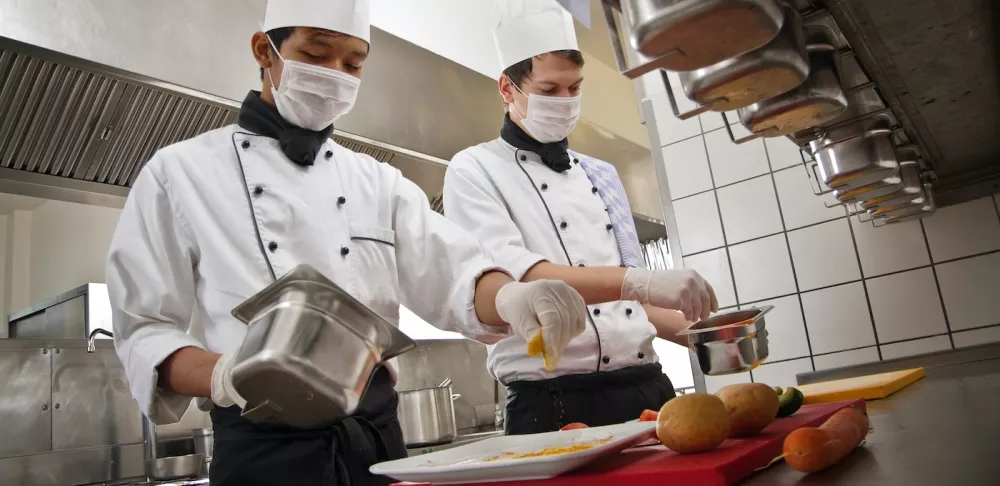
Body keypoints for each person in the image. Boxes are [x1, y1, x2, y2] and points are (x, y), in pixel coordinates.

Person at [106, 1, 589, 484]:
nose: (336, 74)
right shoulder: (180, 174)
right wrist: (225, 374)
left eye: (353, 63)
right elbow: (145, 329)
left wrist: (512, 295)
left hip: (377, 445)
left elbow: (455, 273)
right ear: (264, 50)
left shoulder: (376, 181)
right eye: (316, 55)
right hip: (262, 455)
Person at [442, 0, 719, 435]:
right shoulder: (473, 169)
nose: (566, 102)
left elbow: (635, 305)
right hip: (554, 404)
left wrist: (713, 336)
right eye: (550, 91)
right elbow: (526, 281)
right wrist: (635, 279)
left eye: (575, 88)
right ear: (507, 88)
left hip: (649, 388)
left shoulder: (601, 174)